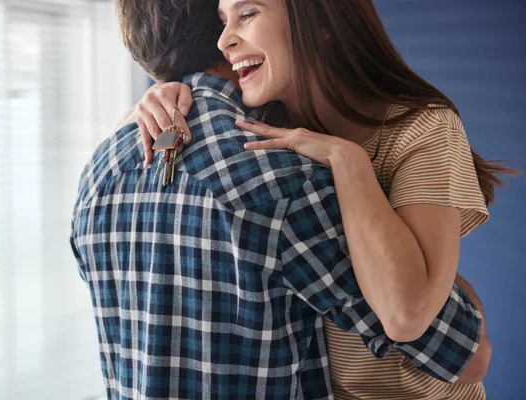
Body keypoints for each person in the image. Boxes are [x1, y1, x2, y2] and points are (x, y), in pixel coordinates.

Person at [71, 0, 487, 398]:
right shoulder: (272, 141)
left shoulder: (417, 131)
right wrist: (163, 92)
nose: (224, 39)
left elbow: (449, 341)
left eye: (246, 14)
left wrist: (348, 161)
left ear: (320, 20)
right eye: (221, 20)